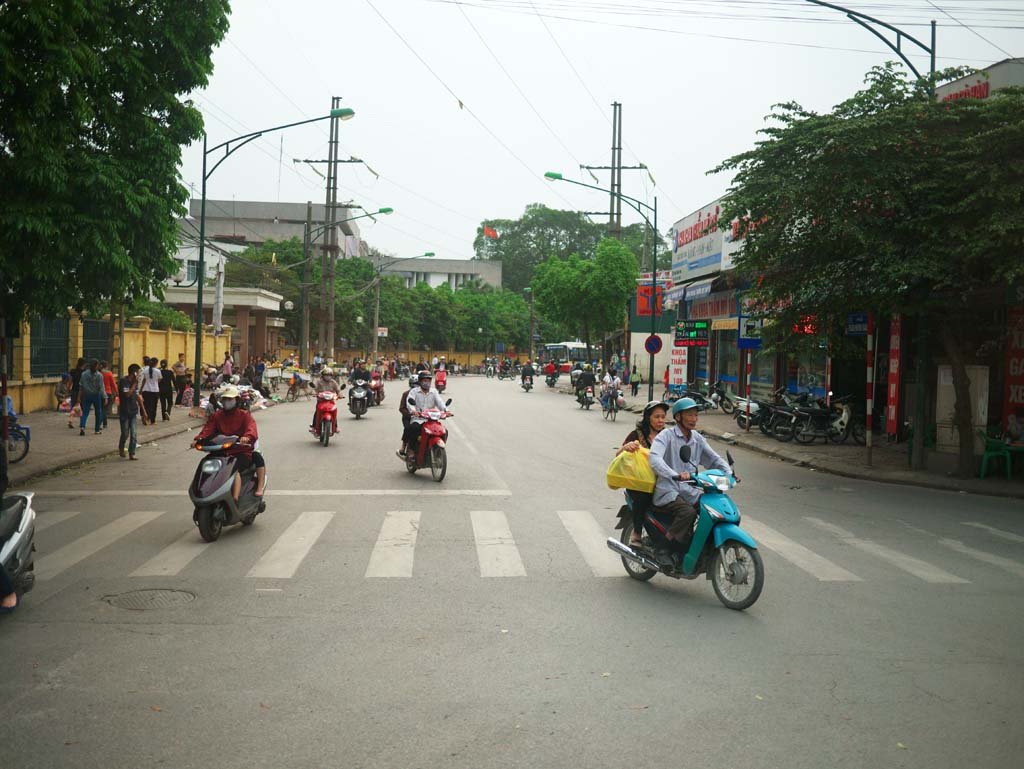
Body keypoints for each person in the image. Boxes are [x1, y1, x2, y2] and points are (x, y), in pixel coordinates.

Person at [648, 397, 731, 551]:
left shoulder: (697, 439)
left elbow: (713, 459)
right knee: (688, 512)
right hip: (669, 489)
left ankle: (697, 547)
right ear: (678, 417)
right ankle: (664, 547)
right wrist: (674, 474)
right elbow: (654, 458)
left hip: (690, 490)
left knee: (714, 510)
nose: (694, 419)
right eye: (689, 415)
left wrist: (728, 473)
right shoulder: (666, 436)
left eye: (695, 415)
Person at [192, 385, 265, 500]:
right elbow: (208, 429)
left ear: (236, 400)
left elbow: (251, 428)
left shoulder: (244, 415)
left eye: (230, 399)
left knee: (234, 468)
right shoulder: (217, 416)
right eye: (225, 399)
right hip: (221, 451)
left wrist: (246, 437)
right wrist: (198, 439)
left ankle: (236, 499)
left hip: (240, 451)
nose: (227, 402)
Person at [617, 400, 669, 546]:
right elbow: (618, 455)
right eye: (656, 417)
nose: (660, 420)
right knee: (643, 497)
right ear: (648, 418)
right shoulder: (636, 434)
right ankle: (637, 533)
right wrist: (627, 447)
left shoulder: (667, 435)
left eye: (663, 417)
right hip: (640, 483)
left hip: (662, 481)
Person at [398, 371, 447, 459]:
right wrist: (413, 411)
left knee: (444, 431)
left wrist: (446, 410)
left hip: (431, 420)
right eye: (424, 380)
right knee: (414, 429)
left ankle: (437, 450)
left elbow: (440, 402)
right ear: (420, 381)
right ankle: (411, 450)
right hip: (418, 418)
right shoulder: (414, 392)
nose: (427, 382)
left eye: (428, 380)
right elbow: (410, 403)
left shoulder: (434, 392)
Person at [118, 362, 147, 459]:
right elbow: (127, 394)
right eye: (138, 373)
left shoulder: (136, 383)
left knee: (134, 434)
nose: (139, 375)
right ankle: (121, 447)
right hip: (124, 411)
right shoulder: (124, 381)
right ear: (134, 373)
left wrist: (144, 411)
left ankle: (132, 453)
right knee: (125, 433)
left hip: (133, 411)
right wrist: (134, 384)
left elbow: (137, 396)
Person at [311, 367, 345, 432]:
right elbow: (315, 389)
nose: (328, 377)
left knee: (334, 412)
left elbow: (338, 389)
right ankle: (314, 426)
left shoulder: (333, 382)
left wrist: (340, 395)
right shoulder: (319, 381)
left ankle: (335, 427)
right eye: (326, 375)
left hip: (331, 401)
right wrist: (314, 393)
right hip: (321, 400)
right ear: (323, 375)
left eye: (329, 375)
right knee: (317, 412)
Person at [77, 358, 105, 436]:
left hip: (86, 395)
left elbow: (81, 386)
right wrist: (105, 397)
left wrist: (79, 397)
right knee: (98, 412)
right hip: (96, 395)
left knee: (85, 412)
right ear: (96, 366)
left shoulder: (84, 374)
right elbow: (101, 387)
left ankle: (82, 427)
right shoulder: (99, 375)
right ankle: (97, 429)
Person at [397, 375, 418, 456]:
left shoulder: (422, 394)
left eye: (417, 384)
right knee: (408, 428)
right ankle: (404, 445)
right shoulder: (405, 394)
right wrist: (410, 414)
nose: (415, 386)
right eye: (414, 384)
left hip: (421, 417)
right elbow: (401, 408)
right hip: (408, 417)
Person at [139, 356, 161, 425]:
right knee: (154, 406)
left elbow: (144, 381)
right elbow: (159, 380)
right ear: (156, 363)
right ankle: (152, 421)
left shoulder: (145, 371)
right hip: (155, 390)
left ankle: (145, 418)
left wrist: (141, 390)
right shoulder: (158, 371)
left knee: (146, 405)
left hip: (146, 390)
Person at [67, 357, 86, 428]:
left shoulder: (73, 371)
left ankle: (71, 421)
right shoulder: (84, 373)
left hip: (74, 391)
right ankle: (82, 423)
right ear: (84, 364)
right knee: (83, 407)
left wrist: (68, 389)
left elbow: (70, 381)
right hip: (82, 392)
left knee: (74, 407)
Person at [100, 360, 117, 428]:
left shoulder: (99, 373)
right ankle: (104, 423)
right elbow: (113, 384)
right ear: (107, 366)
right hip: (108, 392)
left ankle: (102, 422)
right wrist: (117, 392)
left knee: (101, 408)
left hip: (100, 392)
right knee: (105, 409)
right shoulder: (109, 373)